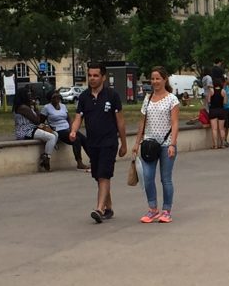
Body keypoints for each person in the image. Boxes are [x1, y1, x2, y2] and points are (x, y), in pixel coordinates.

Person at [69, 63, 128, 223]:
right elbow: (78, 117)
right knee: (99, 176)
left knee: (103, 174)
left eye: (96, 75)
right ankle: (108, 208)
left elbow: (120, 122)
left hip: (108, 142)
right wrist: (73, 131)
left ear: (103, 77)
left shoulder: (112, 96)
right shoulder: (84, 97)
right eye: (90, 75)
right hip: (92, 143)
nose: (92, 78)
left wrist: (123, 144)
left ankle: (99, 209)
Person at [133, 66, 180, 224]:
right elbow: (142, 122)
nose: (155, 81)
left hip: (166, 144)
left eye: (158, 78)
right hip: (149, 144)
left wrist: (173, 144)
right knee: (147, 177)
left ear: (164, 79)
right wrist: (137, 142)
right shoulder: (147, 98)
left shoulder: (172, 99)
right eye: (152, 79)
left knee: (166, 179)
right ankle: (152, 209)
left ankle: (166, 210)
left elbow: (175, 123)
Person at [13, 86, 57, 171]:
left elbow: (38, 119)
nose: (30, 96)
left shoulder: (27, 107)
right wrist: (34, 106)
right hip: (25, 131)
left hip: (32, 128)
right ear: (23, 96)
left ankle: (46, 156)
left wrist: (34, 107)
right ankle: (46, 158)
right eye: (27, 94)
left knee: (55, 133)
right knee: (51, 137)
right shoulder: (22, 108)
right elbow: (37, 120)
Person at [42, 91, 90, 171]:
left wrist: (72, 129)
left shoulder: (63, 106)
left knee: (84, 139)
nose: (57, 98)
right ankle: (79, 163)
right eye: (54, 97)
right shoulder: (46, 108)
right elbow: (41, 121)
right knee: (76, 139)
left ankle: (94, 159)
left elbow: (68, 118)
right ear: (50, 99)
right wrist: (48, 129)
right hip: (58, 130)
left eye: (58, 96)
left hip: (67, 129)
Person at [206, 78, 227, 150]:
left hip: (213, 110)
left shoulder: (211, 91)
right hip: (221, 110)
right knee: (221, 129)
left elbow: (209, 101)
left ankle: (215, 145)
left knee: (214, 129)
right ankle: (223, 144)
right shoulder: (223, 91)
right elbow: (225, 102)